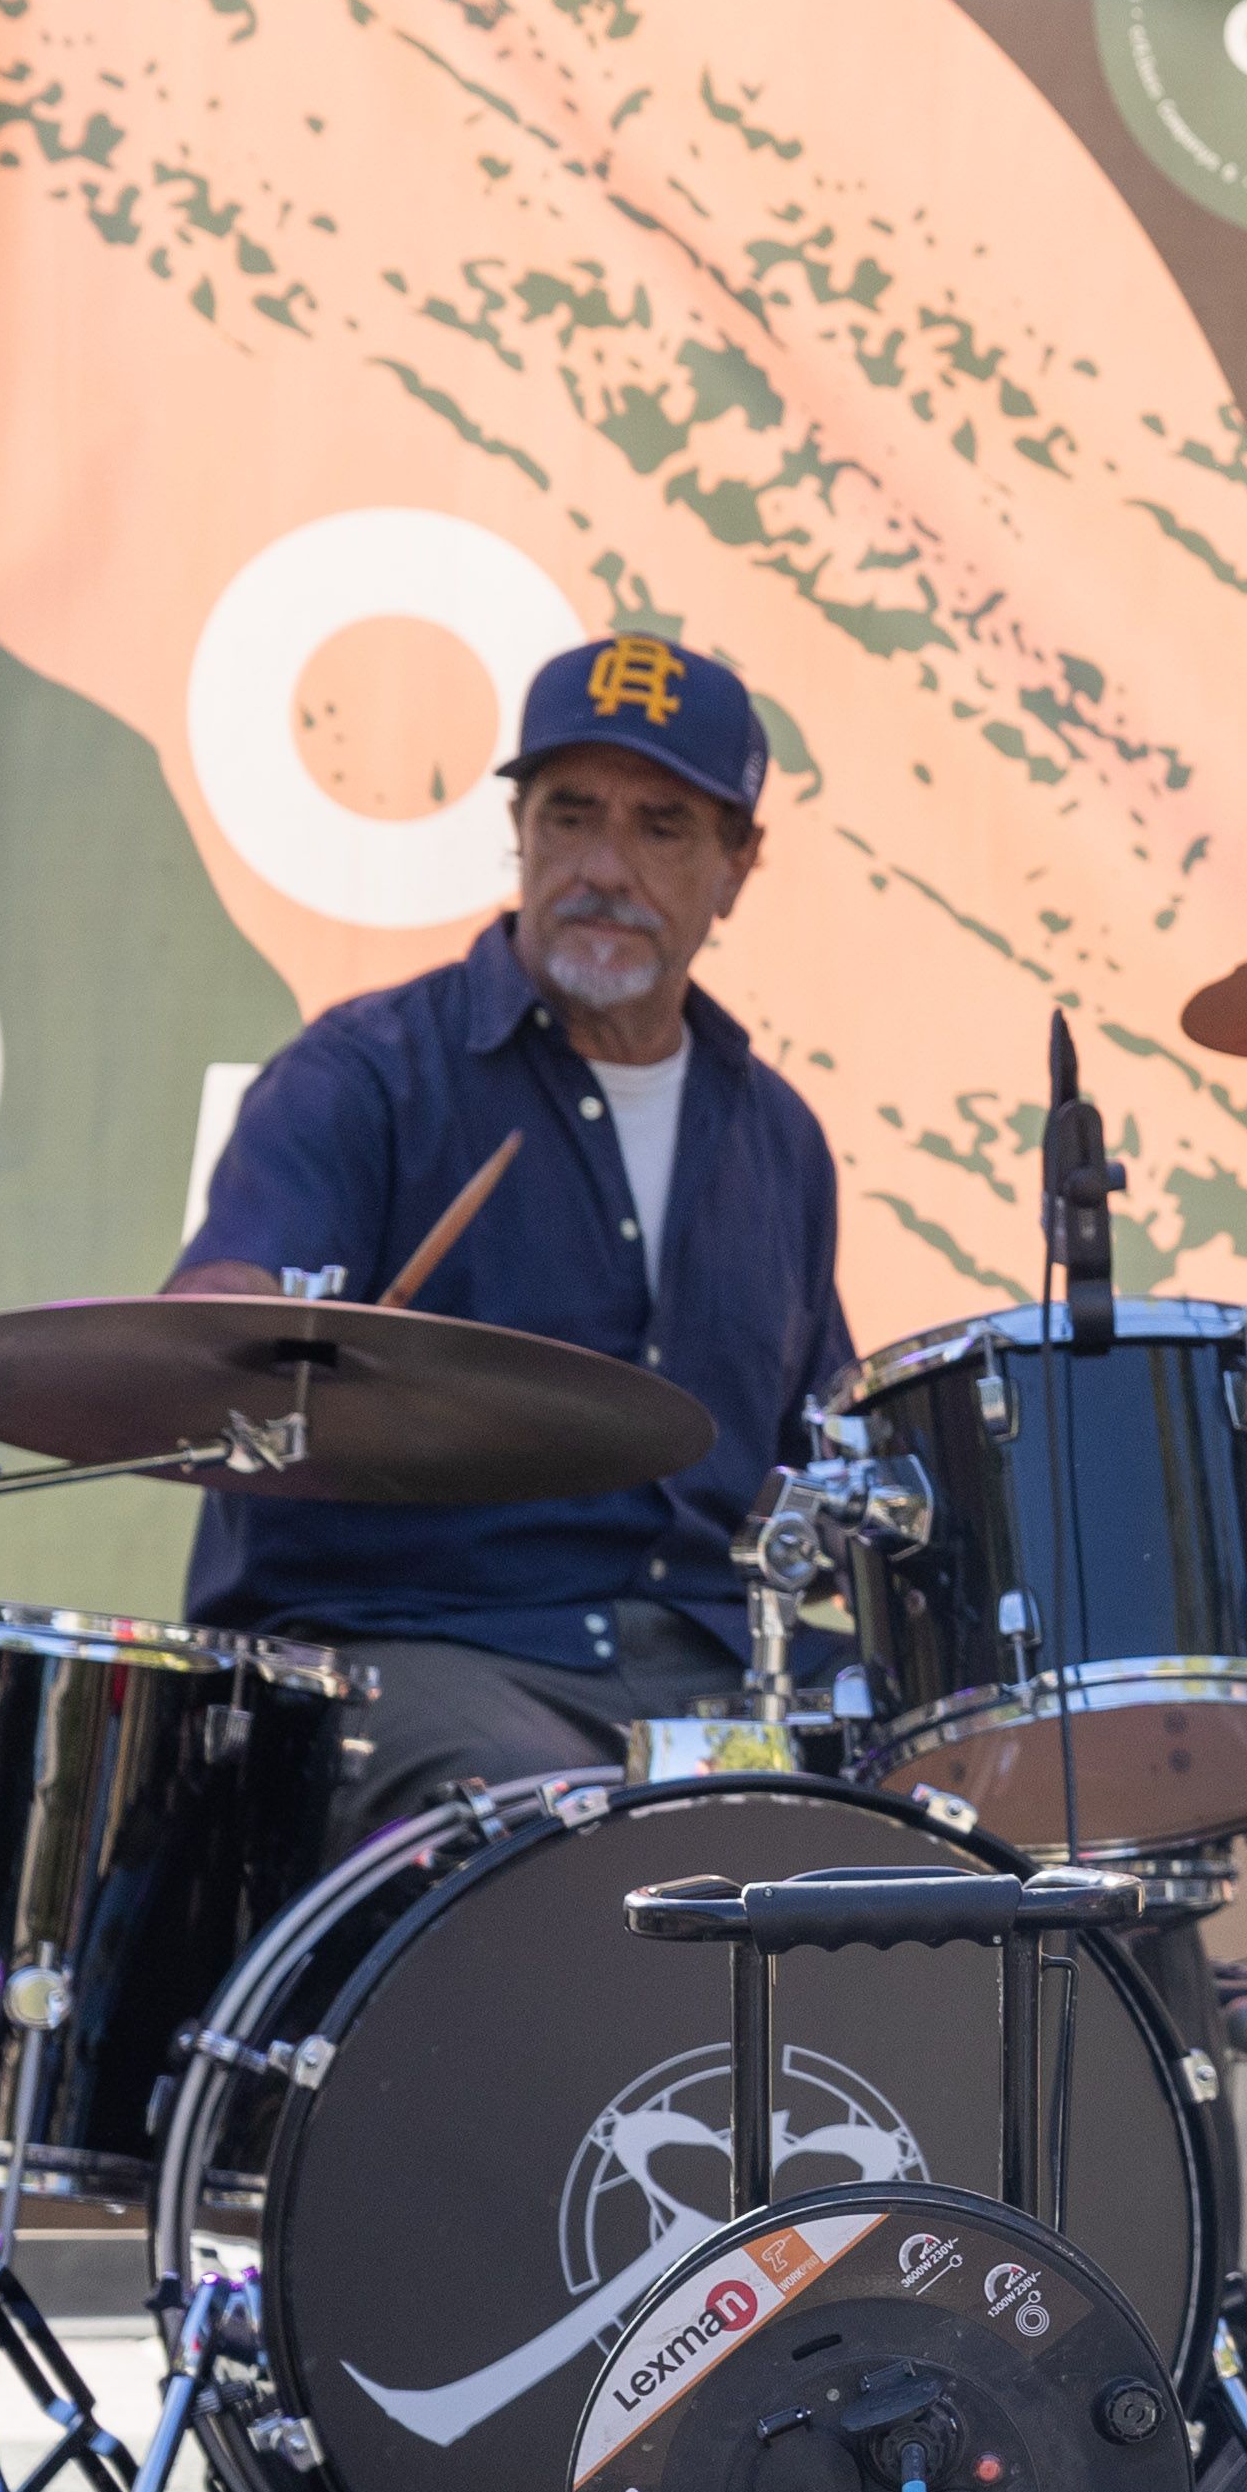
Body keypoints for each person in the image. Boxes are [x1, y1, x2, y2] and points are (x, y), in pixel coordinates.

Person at [168, 629, 854, 1842]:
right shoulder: (365, 1076)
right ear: (519, 831)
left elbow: (824, 1474)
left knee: (1011, 1786)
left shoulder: (778, 1136)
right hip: (427, 1645)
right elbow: (212, 1335)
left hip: (714, 1669)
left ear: (738, 865)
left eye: (662, 827)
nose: (604, 867)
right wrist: (240, 1339)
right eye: (569, 816)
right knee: (539, 1825)